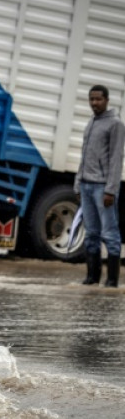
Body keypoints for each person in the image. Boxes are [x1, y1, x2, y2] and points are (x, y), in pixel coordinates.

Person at [75, 84, 125, 287]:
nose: (94, 103)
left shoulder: (115, 124)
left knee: (110, 233)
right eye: (91, 99)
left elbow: (116, 158)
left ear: (107, 100)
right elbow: (84, 156)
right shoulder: (91, 122)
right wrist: (78, 183)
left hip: (102, 187)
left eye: (98, 99)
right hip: (86, 185)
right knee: (91, 233)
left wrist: (110, 189)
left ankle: (112, 280)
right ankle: (91, 277)